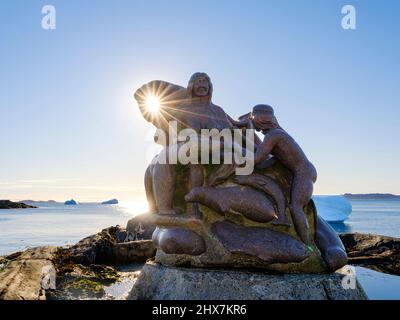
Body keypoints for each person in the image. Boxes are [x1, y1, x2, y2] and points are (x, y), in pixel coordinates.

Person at [251, 104, 317, 244]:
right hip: (302, 170)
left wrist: (234, 161)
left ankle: (307, 246)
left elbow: (257, 159)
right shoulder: (275, 132)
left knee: (295, 207)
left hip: (303, 172)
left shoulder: (273, 135)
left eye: (252, 119)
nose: (251, 123)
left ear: (260, 119)